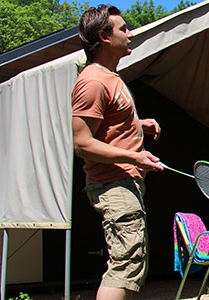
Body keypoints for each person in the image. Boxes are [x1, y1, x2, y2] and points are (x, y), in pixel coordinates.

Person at [71, 5, 163, 300]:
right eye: (123, 28)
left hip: (125, 181)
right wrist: (134, 157)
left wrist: (138, 124)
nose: (130, 33)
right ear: (104, 36)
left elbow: (107, 123)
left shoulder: (111, 77)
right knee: (125, 265)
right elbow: (82, 143)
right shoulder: (93, 82)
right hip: (113, 182)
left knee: (131, 264)